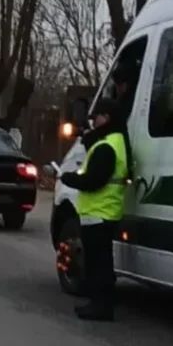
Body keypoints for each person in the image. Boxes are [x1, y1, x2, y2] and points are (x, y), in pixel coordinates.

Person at [60, 98, 130, 321]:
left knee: (99, 263)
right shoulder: (116, 140)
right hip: (105, 211)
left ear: (106, 118)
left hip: (99, 212)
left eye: (96, 116)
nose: (93, 121)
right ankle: (100, 303)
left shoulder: (106, 146)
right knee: (102, 262)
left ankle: (100, 306)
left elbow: (94, 180)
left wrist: (68, 178)